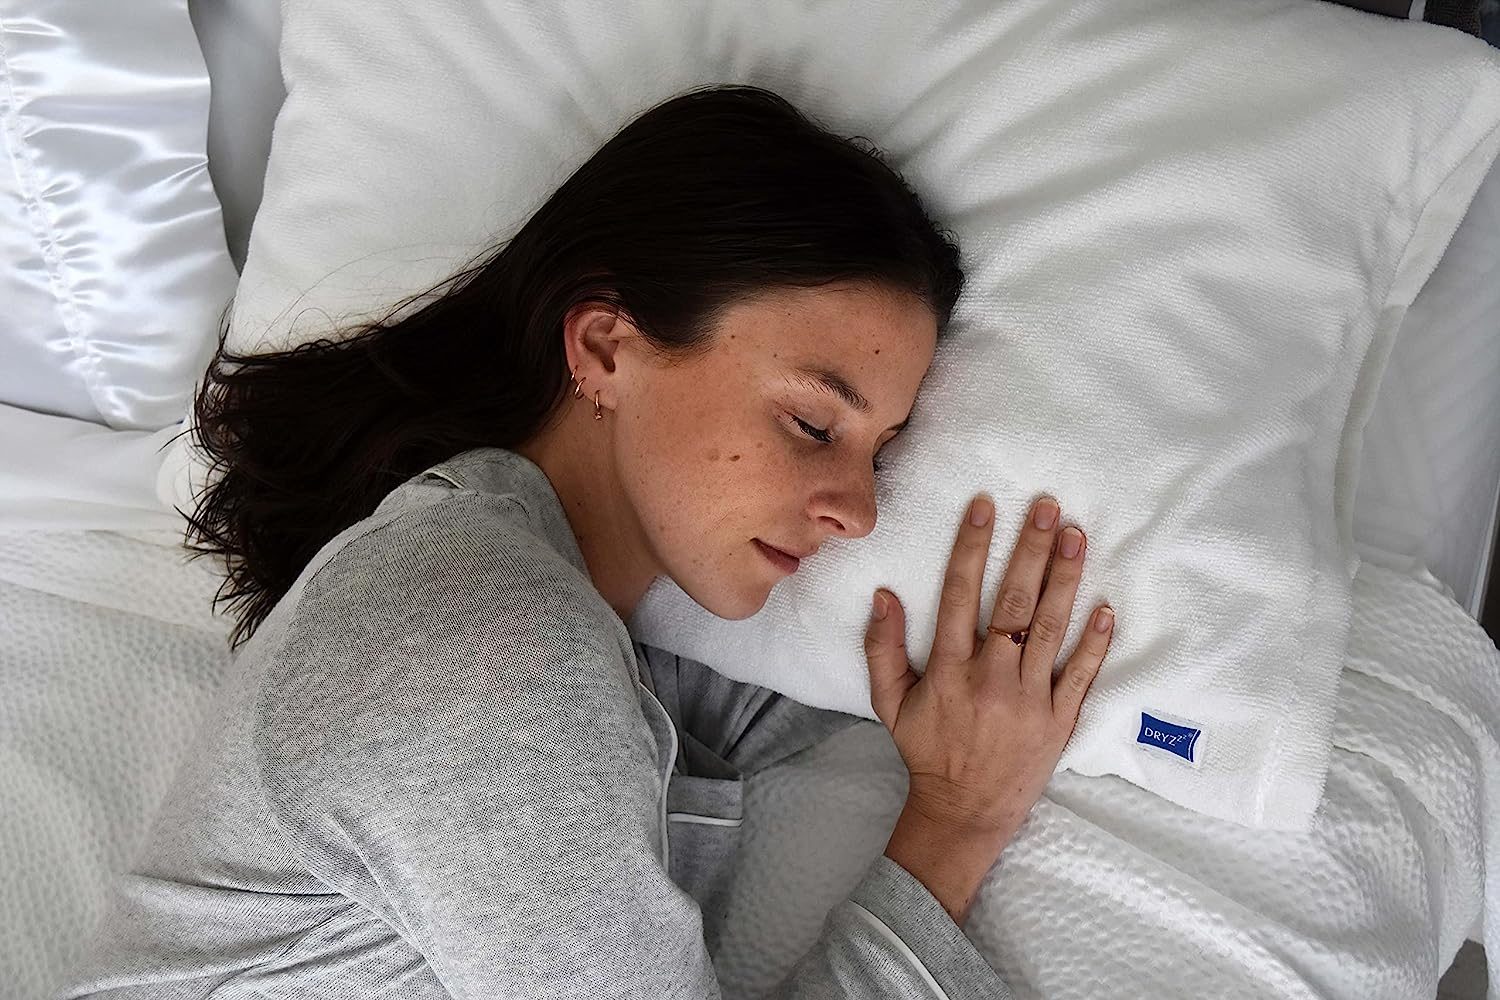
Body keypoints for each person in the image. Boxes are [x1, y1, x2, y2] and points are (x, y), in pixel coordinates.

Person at [53, 83, 1114, 999]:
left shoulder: (532, 616)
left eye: (879, 455)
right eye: (809, 423)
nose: (861, 510)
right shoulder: (491, 650)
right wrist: (957, 824)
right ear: (605, 347)